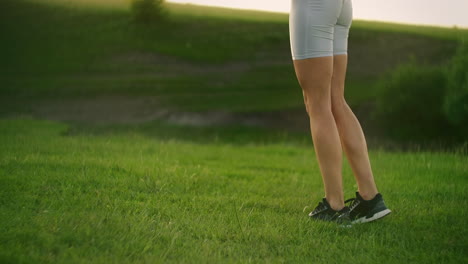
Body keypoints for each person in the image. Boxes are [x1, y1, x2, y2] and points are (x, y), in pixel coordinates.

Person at [289, 0, 391, 224]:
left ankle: (334, 206)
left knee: (317, 102)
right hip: (340, 6)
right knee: (335, 100)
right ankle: (370, 198)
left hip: (313, 7)